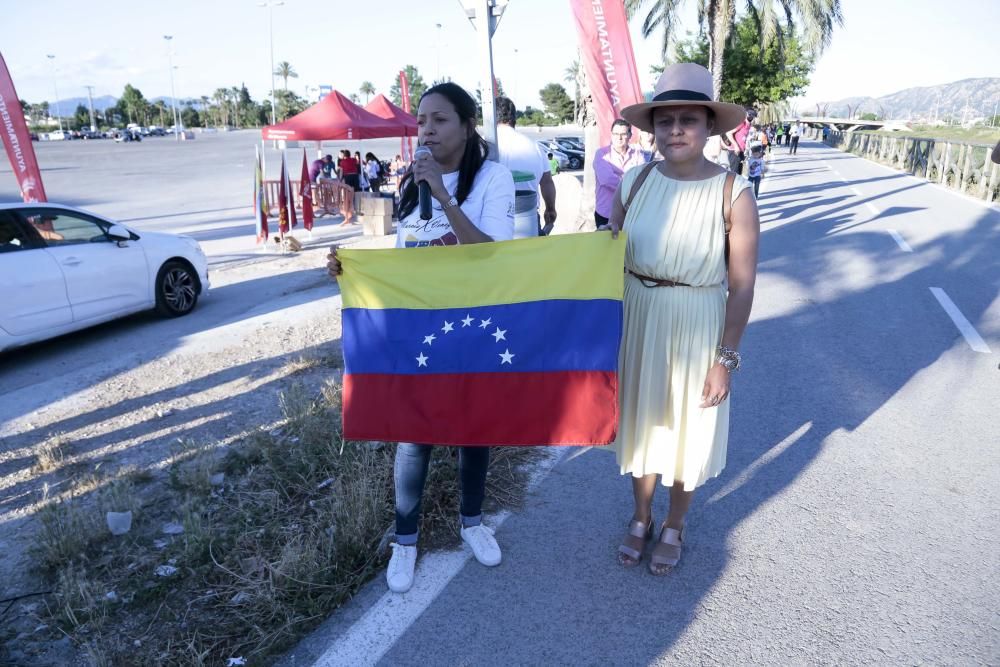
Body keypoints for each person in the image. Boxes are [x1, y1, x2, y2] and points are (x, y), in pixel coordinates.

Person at [326, 82, 515, 593]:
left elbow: (492, 253)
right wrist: (353, 271)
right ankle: (405, 541)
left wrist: (445, 196)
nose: (426, 131)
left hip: (474, 324)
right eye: (421, 121)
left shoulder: (494, 179)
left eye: (439, 120)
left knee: (474, 429)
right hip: (421, 326)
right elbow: (405, 257)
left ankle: (472, 523)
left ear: (467, 124)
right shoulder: (412, 181)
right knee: (416, 433)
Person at [613, 62, 760, 575]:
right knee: (641, 425)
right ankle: (640, 516)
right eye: (664, 119)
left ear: (708, 127)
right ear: (652, 129)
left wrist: (725, 358)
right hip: (639, 318)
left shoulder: (733, 193)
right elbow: (601, 259)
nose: (675, 129)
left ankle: (674, 524)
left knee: (688, 432)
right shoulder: (633, 182)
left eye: (688, 119)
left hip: (698, 323)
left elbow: (741, 285)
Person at [493, 96, 557, 236]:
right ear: (513, 118)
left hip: (492, 220)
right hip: (529, 220)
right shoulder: (535, 147)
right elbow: (546, 182)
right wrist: (550, 209)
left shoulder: (483, 146)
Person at [593, 119, 647, 229]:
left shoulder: (638, 155)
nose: (619, 137)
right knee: (607, 246)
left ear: (630, 135)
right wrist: (630, 179)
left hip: (631, 214)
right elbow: (606, 180)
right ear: (611, 135)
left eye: (623, 134)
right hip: (606, 213)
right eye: (616, 134)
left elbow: (642, 180)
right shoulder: (602, 154)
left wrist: (619, 176)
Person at [723, 111, 751, 175]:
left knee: (739, 174)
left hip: (741, 151)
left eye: (752, 115)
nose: (750, 117)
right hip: (734, 151)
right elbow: (728, 133)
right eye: (749, 114)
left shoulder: (748, 124)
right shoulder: (741, 123)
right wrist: (736, 146)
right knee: (734, 173)